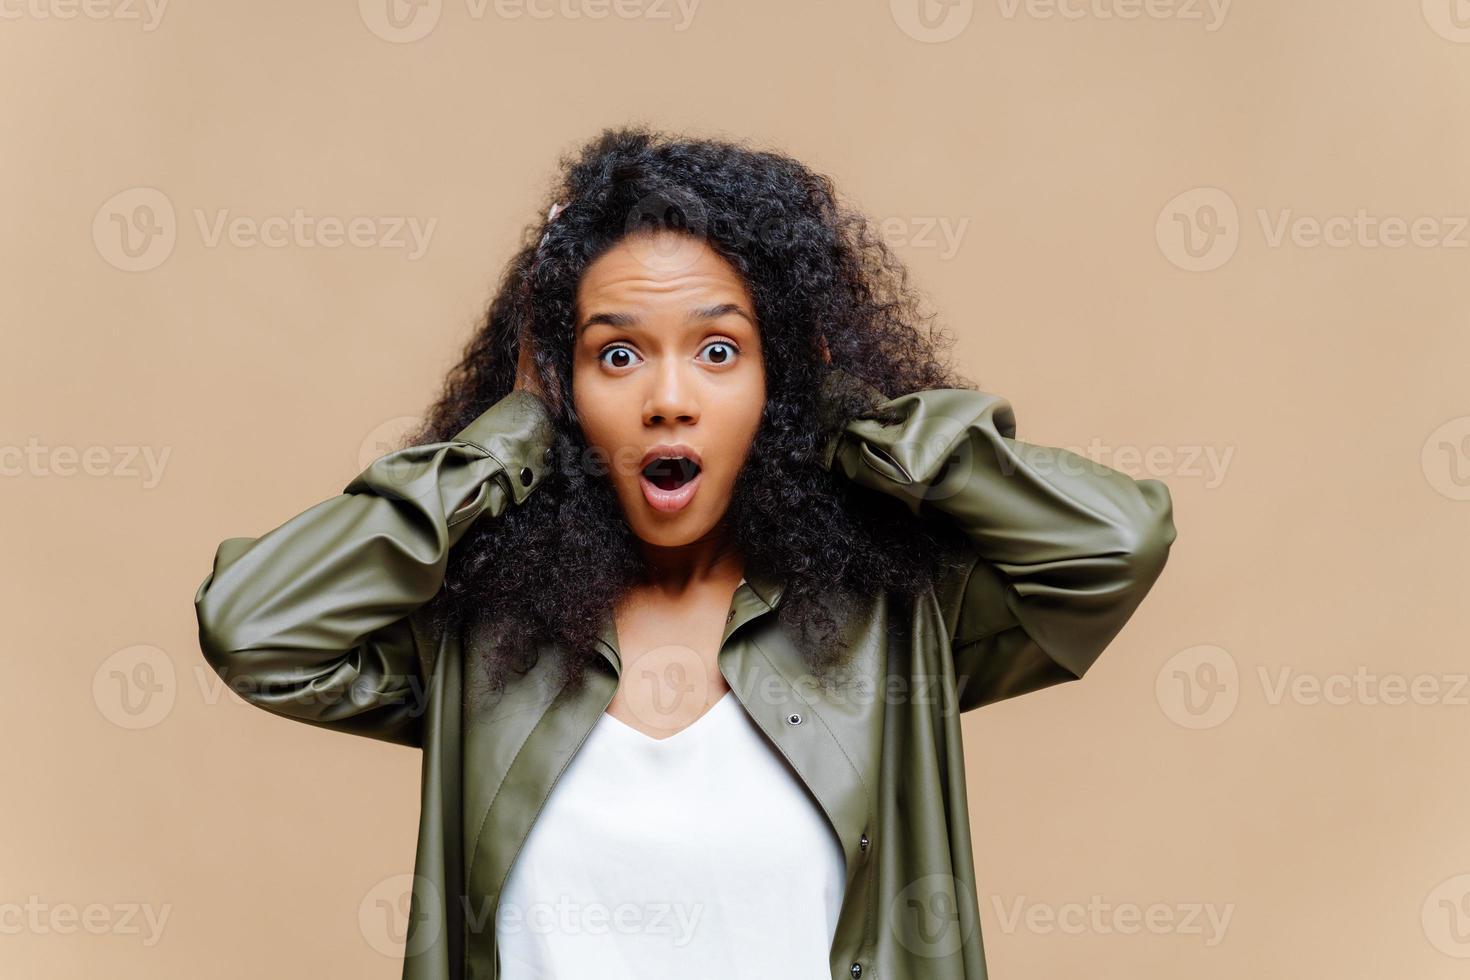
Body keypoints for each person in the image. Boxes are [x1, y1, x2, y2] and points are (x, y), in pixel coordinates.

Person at [193, 126, 1178, 980]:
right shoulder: (483, 638)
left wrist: (837, 413)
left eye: (720, 350)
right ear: (564, 382)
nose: (669, 397)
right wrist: (509, 439)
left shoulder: (893, 626)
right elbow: (255, 625)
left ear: (775, 375)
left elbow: (1109, 542)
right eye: (616, 354)